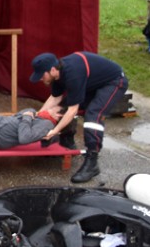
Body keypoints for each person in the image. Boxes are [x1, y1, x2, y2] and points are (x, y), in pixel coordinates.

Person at [30, 51, 128, 183]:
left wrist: (54, 131)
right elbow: (55, 98)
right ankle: (67, 141)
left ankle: (92, 162)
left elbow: (72, 111)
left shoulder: (72, 75)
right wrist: (38, 116)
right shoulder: (57, 75)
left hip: (114, 82)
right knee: (62, 106)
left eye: (42, 75)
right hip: (93, 83)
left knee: (93, 114)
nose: (40, 79)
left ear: (52, 70)